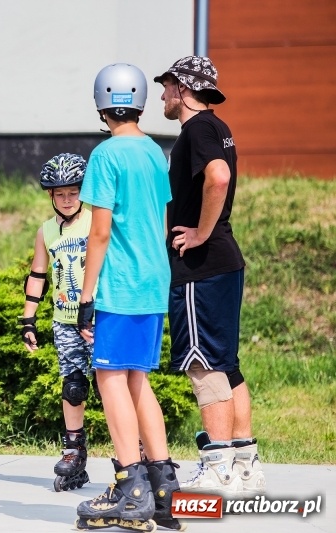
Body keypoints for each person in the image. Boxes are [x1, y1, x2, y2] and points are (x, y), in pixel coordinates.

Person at [75, 63, 182, 532]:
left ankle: (129, 486)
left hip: (118, 283)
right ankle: (164, 490)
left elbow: (99, 233)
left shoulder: (105, 155)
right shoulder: (156, 153)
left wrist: (86, 294)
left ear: (101, 104)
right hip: (153, 280)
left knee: (109, 379)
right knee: (137, 380)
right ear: (139, 103)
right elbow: (159, 220)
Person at [154, 55, 265, 496]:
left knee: (203, 365)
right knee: (226, 364)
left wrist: (200, 232)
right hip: (224, 262)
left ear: (183, 88)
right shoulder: (218, 127)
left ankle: (216, 467)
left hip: (202, 267)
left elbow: (217, 178)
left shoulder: (197, 129)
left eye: (166, 86)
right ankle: (244, 466)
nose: (162, 95)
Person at [20, 153, 93, 492]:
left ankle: (136, 453)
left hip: (97, 319)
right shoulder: (46, 231)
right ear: (50, 194)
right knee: (73, 386)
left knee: (115, 386)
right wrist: (28, 320)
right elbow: (38, 276)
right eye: (59, 193)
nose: (67, 199)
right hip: (64, 321)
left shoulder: (95, 221)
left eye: (73, 192)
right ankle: (74, 451)